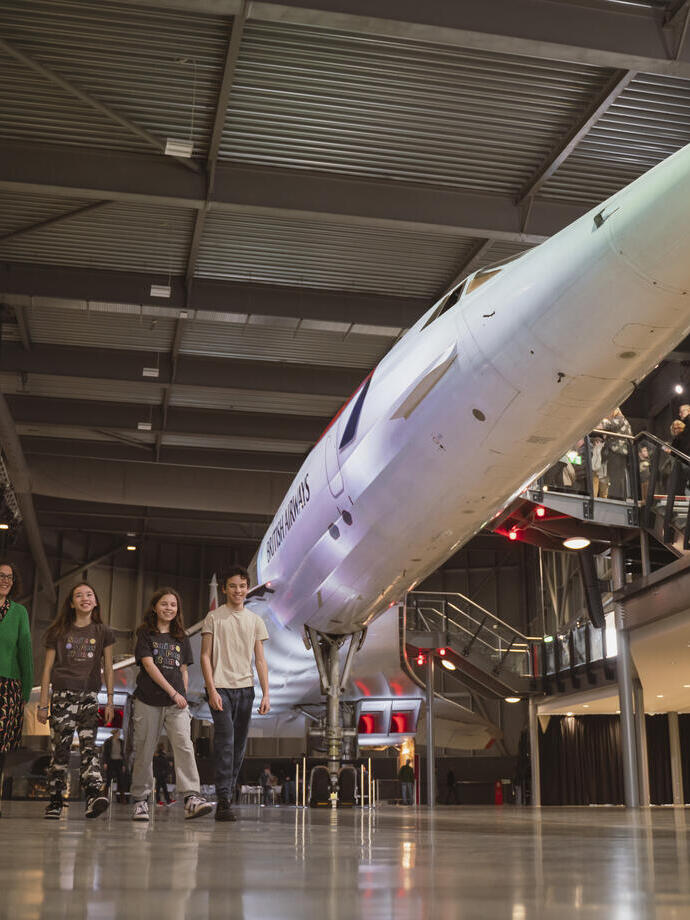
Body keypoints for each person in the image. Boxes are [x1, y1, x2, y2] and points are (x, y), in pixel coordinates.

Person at [130, 587, 212, 821]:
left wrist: (182, 696)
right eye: (164, 604)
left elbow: (183, 670)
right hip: (149, 700)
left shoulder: (181, 638)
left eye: (173, 605)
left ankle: (191, 798)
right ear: (155, 607)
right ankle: (140, 800)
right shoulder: (146, 633)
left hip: (176, 704)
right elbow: (149, 666)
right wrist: (173, 692)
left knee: (185, 747)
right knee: (145, 749)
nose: (169, 608)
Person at [38, 582, 114, 819]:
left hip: (90, 697)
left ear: (96, 601)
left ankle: (93, 795)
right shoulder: (58, 631)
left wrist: (110, 701)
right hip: (62, 698)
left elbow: (109, 668)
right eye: (78, 595)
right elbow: (47, 669)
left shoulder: (103, 631)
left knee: (89, 749)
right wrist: (43, 704)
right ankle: (55, 800)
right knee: (59, 750)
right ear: (71, 603)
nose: (85, 598)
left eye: (89, 594)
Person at [200, 565, 270, 822]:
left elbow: (260, 660)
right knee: (225, 742)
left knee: (239, 746)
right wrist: (211, 689)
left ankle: (226, 794)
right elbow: (205, 656)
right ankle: (223, 799)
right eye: (232, 586)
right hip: (221, 689)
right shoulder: (214, 618)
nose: (237, 590)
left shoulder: (255, 621)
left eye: (242, 586)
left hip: (246, 690)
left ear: (247, 588)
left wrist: (265, 694)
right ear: (224, 589)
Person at [0, 560, 33, 819]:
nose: (5, 580)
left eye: (9, 576)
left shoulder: (20, 612)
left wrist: (24, 694)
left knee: (1, 748)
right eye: (1, 575)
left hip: (9, 687)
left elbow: (26, 653)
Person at [601, 408, 632, 499]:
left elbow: (606, 424)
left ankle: (615, 497)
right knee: (616, 476)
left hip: (617, 452)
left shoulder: (620, 418)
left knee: (616, 477)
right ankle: (616, 496)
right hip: (618, 453)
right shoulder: (621, 420)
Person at [103, 727, 126, 803]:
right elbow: (105, 753)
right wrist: (105, 763)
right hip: (111, 762)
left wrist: (123, 765)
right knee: (108, 780)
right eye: (118, 733)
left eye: (119, 734)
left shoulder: (121, 742)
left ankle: (122, 798)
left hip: (119, 762)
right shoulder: (108, 742)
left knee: (121, 781)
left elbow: (123, 754)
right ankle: (104, 797)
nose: (119, 735)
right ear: (114, 734)